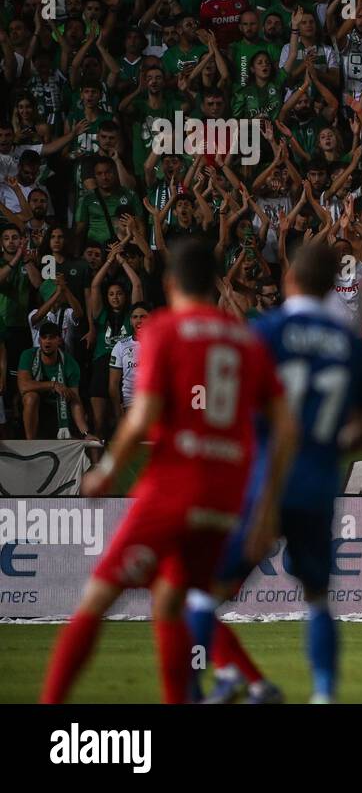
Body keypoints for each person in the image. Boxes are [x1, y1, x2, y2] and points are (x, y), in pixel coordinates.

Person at [41, 241, 296, 704]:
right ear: (215, 283)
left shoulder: (163, 329)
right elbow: (285, 427)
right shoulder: (246, 341)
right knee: (170, 603)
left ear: (170, 284)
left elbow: (142, 414)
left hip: (173, 489)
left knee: (96, 599)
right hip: (225, 501)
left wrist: (109, 470)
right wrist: (265, 508)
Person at [188, 241, 362, 704]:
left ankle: (190, 689)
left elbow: (231, 411)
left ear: (289, 279)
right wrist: (326, 447)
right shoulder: (350, 345)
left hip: (262, 486)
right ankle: (322, 695)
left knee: (202, 596)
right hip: (317, 485)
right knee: (318, 598)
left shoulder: (265, 333)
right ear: (330, 287)